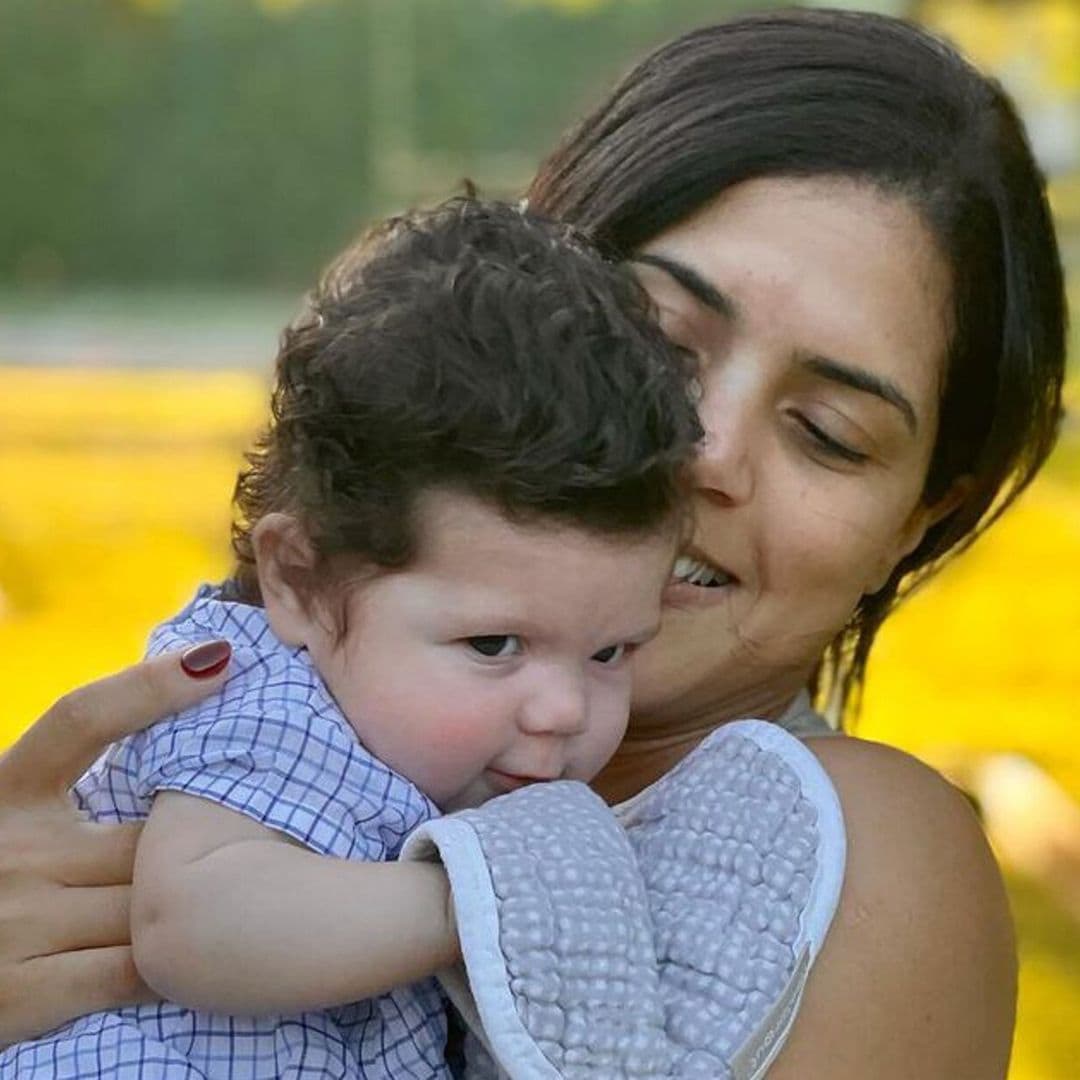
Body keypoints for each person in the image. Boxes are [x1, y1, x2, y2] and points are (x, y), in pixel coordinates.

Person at [0, 8, 1067, 1077]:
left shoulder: (853, 859)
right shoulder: (276, 718)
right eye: (657, 340)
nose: (704, 452)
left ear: (922, 520)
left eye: (829, 435)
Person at [0, 198, 698, 1077]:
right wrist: (487, 903)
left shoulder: (399, 735)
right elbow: (194, 929)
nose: (564, 711)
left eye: (610, 653)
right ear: (300, 578)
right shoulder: (263, 703)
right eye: (493, 645)